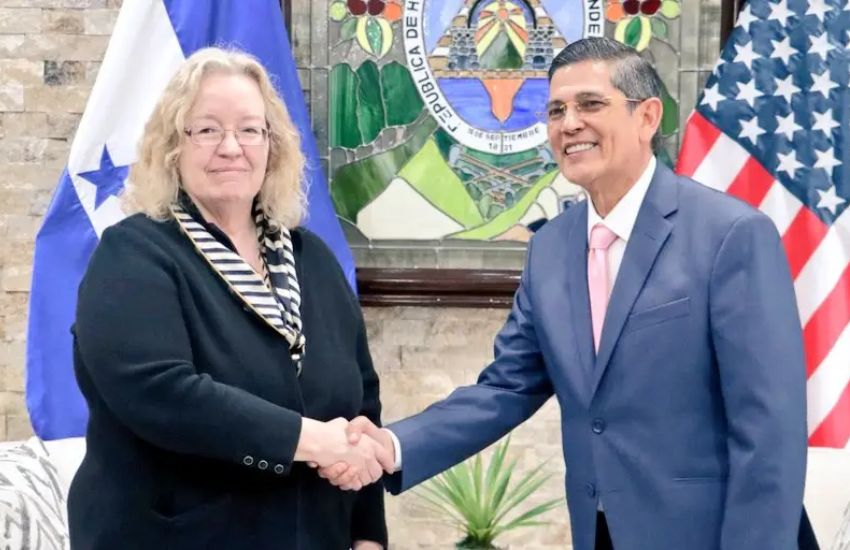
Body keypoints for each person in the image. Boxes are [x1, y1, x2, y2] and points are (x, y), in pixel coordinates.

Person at [322, 37, 811, 550]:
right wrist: (393, 445)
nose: (569, 123)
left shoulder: (730, 234)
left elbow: (769, 431)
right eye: (556, 110)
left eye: (590, 104)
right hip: (597, 532)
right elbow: (506, 387)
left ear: (647, 117)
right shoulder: (550, 247)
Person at [68, 47, 391, 550]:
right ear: (172, 147)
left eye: (249, 129)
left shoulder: (313, 259)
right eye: (207, 129)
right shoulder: (133, 255)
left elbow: (362, 402)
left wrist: (368, 533)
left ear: (272, 146)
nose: (231, 147)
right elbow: (161, 392)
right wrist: (313, 441)